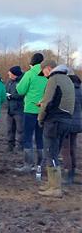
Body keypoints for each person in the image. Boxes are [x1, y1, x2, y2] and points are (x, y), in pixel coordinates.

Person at [37, 61, 75, 197]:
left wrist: (40, 118)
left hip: (54, 121)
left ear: (48, 68)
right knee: (54, 152)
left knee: (50, 153)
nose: (45, 75)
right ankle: (51, 184)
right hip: (66, 120)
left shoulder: (54, 80)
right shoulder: (68, 80)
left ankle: (55, 188)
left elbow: (47, 102)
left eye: (44, 72)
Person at [15, 53, 48, 173]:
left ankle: (28, 165)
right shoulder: (47, 74)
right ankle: (39, 165)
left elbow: (20, 90)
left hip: (30, 109)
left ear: (32, 62)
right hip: (43, 110)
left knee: (28, 137)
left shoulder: (29, 74)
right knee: (40, 138)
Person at [62, 74, 81, 185]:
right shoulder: (80, 90)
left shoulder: (68, 91)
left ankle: (67, 175)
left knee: (65, 149)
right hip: (78, 123)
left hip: (67, 123)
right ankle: (72, 173)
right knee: (73, 147)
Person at [5, 66, 25, 152]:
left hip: (19, 109)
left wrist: (12, 96)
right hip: (10, 109)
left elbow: (23, 94)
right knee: (10, 129)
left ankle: (20, 146)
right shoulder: (9, 82)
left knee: (20, 129)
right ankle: (10, 146)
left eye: (10, 73)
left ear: (14, 74)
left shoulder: (22, 82)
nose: (8, 74)